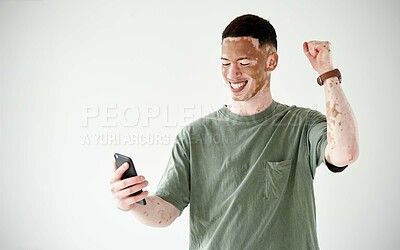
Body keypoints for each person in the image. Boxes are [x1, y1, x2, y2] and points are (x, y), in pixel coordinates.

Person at [110, 14, 359, 250]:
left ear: (271, 61)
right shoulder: (194, 136)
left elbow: (345, 153)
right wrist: (132, 202)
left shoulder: (301, 124)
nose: (232, 73)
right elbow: (165, 213)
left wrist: (328, 74)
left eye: (244, 62)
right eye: (225, 63)